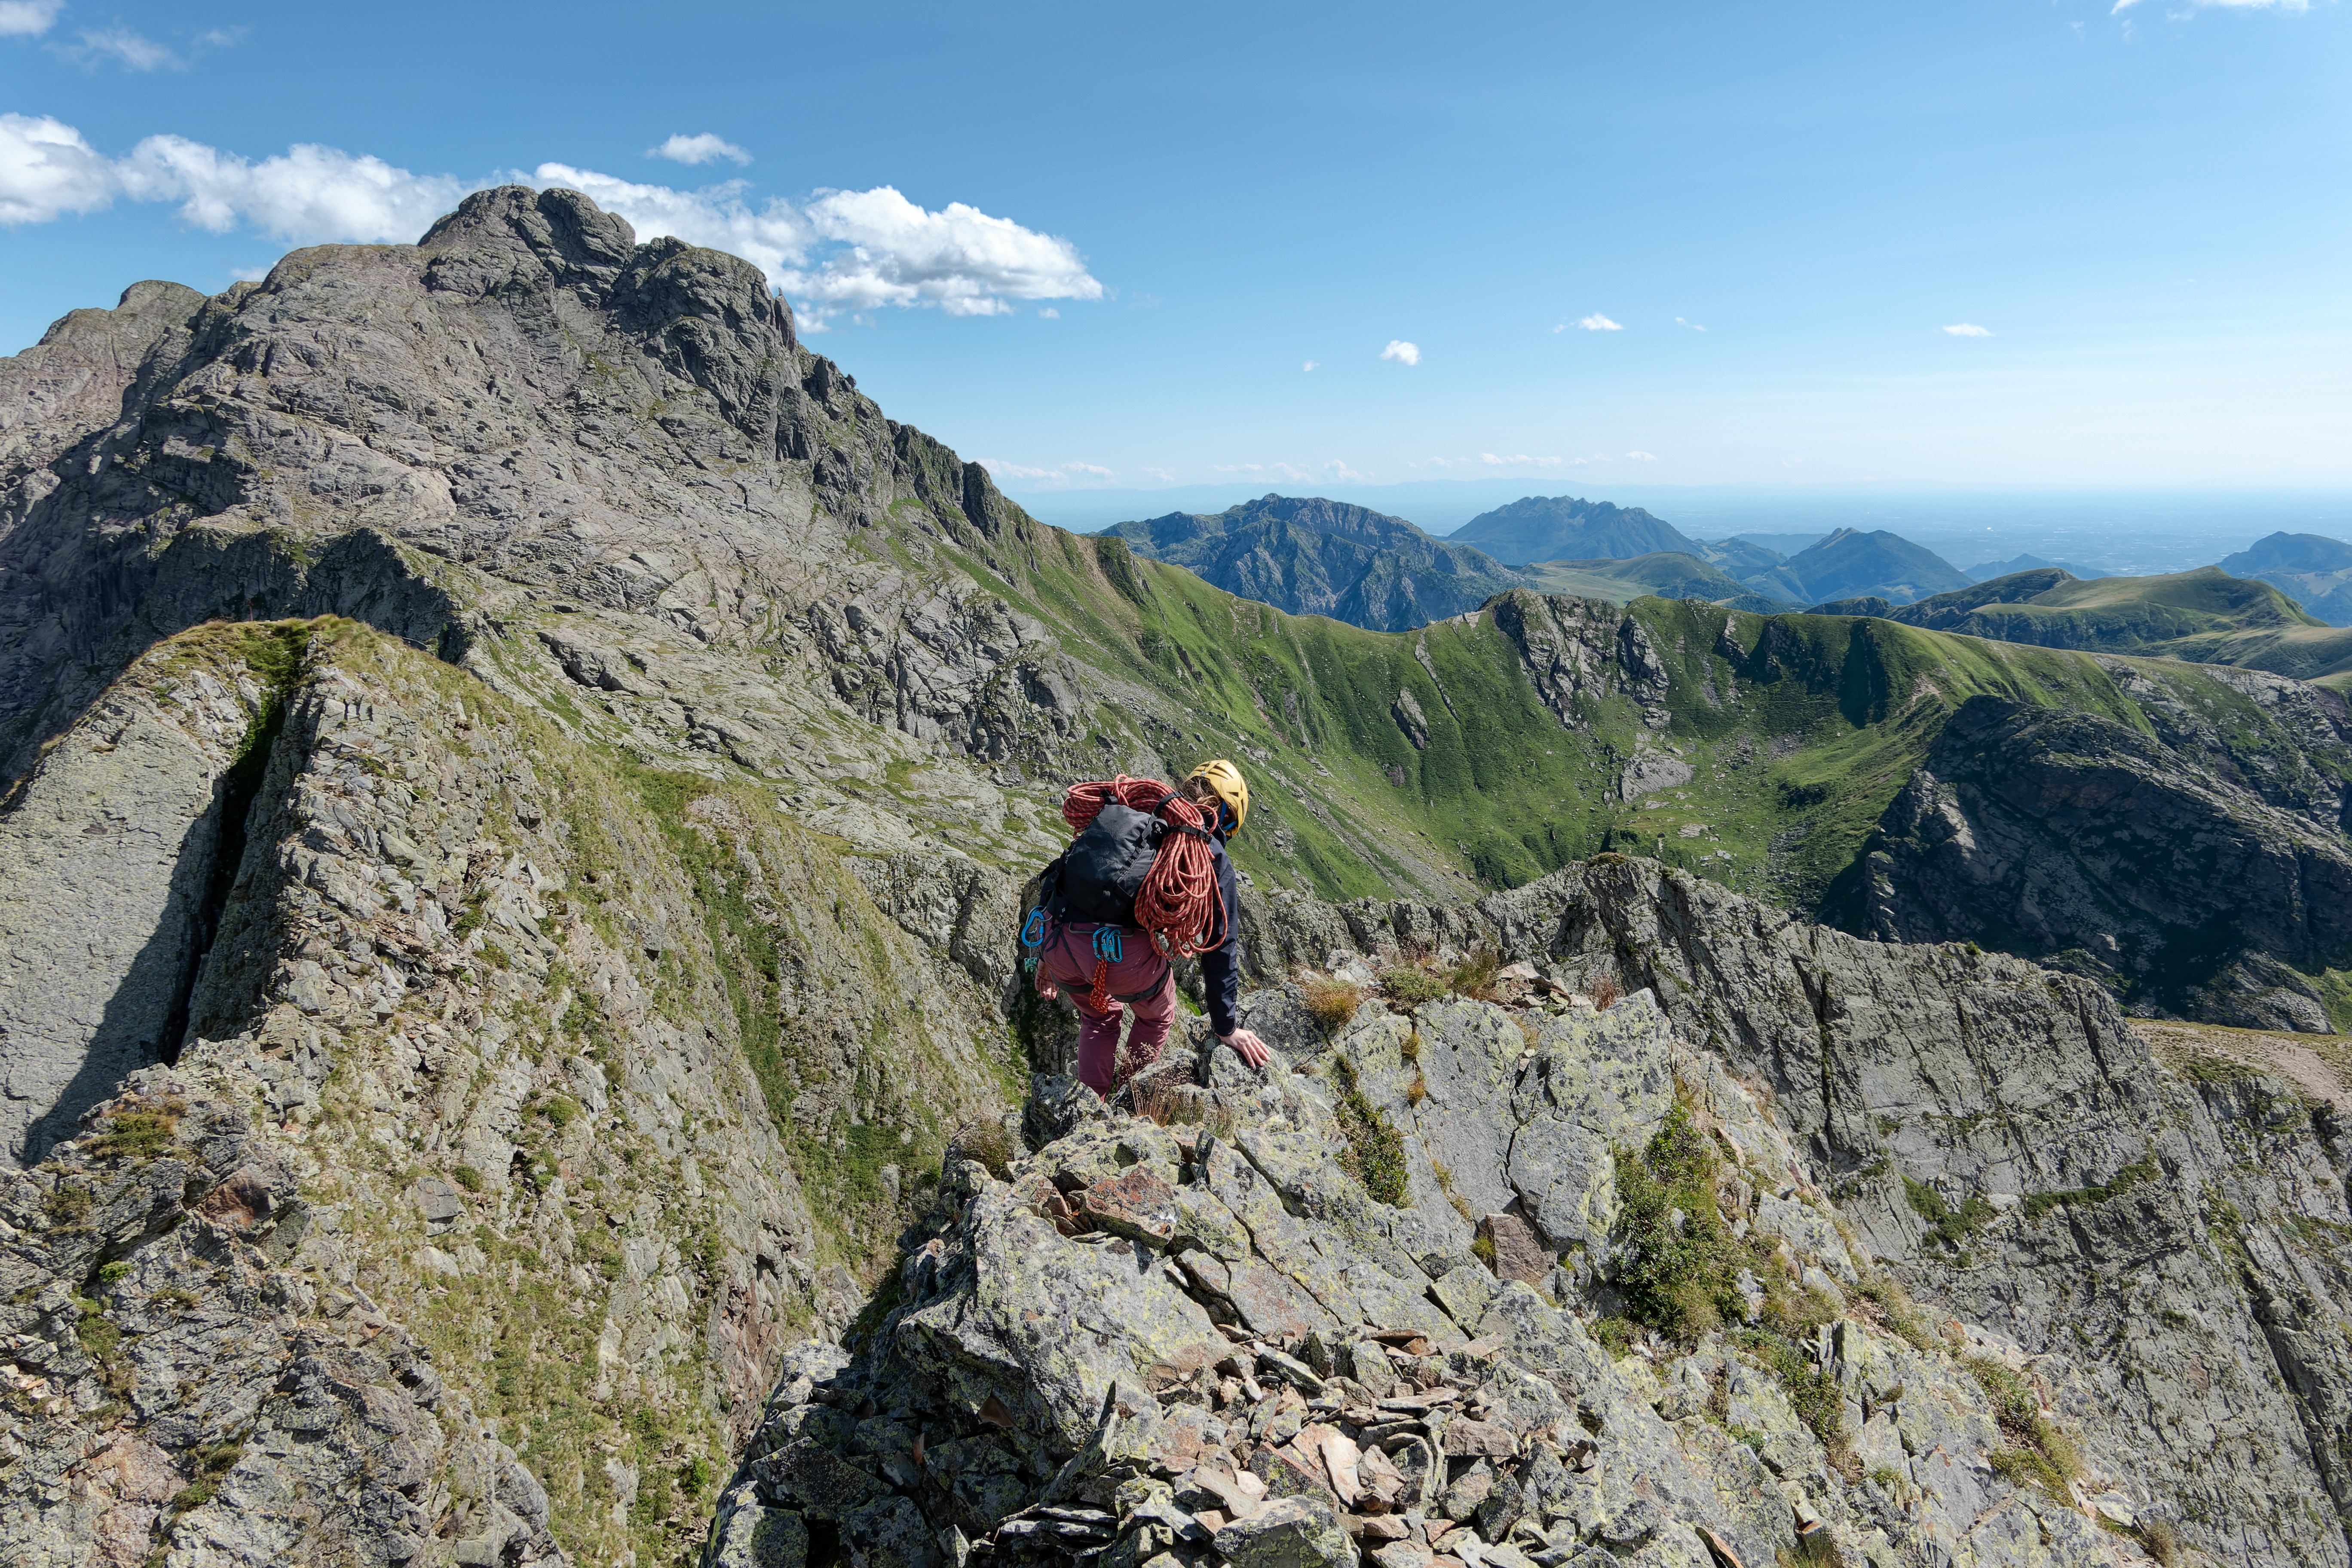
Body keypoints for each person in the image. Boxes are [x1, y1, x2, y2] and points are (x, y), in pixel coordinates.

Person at [1032, 760, 1272, 1096]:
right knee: (1157, 1015)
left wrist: (1044, 956)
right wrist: (1226, 1026)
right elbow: (1220, 942)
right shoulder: (1207, 848)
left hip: (1058, 941)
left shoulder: (1134, 812)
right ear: (1226, 817)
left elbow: (1065, 869)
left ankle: (1091, 1101)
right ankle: (1132, 1097)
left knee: (1099, 1016)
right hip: (1122, 957)